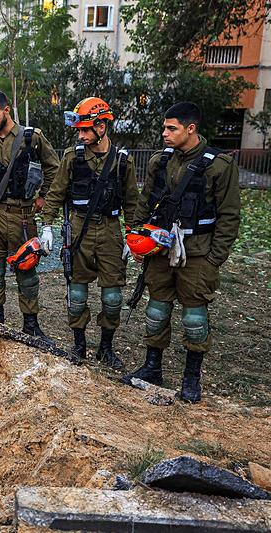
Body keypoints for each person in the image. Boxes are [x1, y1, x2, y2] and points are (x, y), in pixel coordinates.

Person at [120, 102, 241, 403]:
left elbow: (229, 216)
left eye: (171, 128)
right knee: (156, 310)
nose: (164, 133)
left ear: (191, 129)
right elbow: (145, 201)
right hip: (159, 250)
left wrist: (215, 259)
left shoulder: (219, 165)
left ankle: (191, 377)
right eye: (164, 128)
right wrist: (135, 236)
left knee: (194, 318)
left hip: (198, 253)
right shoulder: (159, 162)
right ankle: (152, 368)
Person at [40, 97, 139, 368]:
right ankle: (79, 345)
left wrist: (132, 234)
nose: (81, 135)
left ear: (102, 127)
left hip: (110, 231)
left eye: (86, 129)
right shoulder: (72, 157)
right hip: (79, 229)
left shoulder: (122, 162)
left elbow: (132, 201)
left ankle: (106, 348)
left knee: (112, 297)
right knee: (77, 295)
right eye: (79, 130)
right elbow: (56, 193)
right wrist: (46, 225)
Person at [0, 89, 60, 341]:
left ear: (6, 110)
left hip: (22, 216)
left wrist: (43, 197)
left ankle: (31, 325)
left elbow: (55, 170)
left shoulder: (32, 139)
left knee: (26, 270)